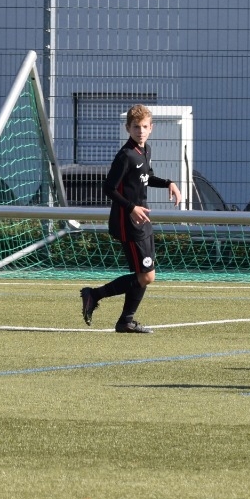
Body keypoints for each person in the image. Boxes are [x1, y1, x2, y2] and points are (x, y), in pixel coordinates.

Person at [80, 104, 182, 332]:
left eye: (145, 126)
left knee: (146, 275)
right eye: (136, 127)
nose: (141, 131)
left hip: (142, 219)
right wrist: (130, 207)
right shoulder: (125, 155)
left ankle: (125, 320)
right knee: (146, 276)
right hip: (128, 223)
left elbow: (147, 176)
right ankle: (95, 296)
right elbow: (108, 188)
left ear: (151, 128)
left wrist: (168, 183)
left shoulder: (145, 150)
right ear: (128, 128)